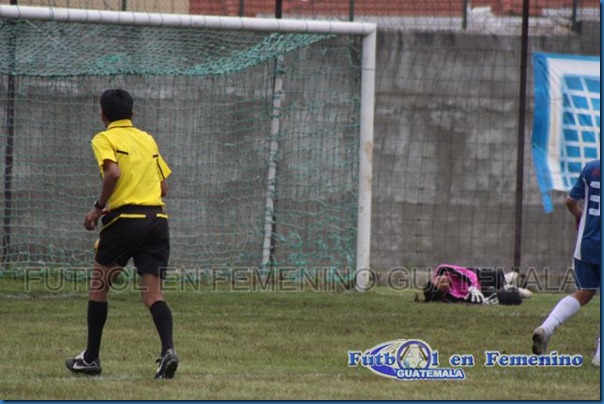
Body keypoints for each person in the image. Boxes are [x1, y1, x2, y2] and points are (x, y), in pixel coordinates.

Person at [65, 89, 178, 379]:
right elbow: (163, 187)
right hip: (157, 219)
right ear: (132, 113)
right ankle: (168, 352)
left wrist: (97, 208)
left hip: (126, 220)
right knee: (153, 294)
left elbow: (112, 173)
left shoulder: (104, 138)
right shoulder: (146, 138)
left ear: (103, 115)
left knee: (99, 288)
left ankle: (90, 359)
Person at [532, 159, 601, 367]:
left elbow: (570, 201)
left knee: (584, 292)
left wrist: (580, 217)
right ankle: (599, 357)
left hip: (586, 243)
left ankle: (547, 327)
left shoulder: (592, 168)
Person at [421, 264, 524, 305]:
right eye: (442, 284)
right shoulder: (451, 297)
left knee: (495, 274)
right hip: (478, 290)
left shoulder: (442, 269)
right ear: (443, 292)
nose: (443, 279)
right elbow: (466, 300)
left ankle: (504, 281)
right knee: (514, 298)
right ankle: (513, 290)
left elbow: (469, 274)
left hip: (474, 278)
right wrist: (483, 301)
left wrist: (473, 287)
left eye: (439, 279)